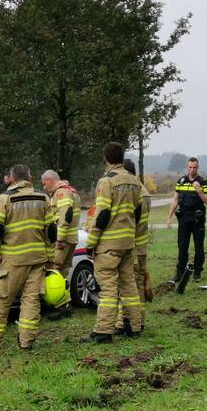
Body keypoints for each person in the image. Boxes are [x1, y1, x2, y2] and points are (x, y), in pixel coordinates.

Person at [0, 164, 52, 352]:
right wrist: (50, 257)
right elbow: (51, 231)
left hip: (13, 260)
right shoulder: (43, 198)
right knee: (31, 300)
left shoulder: (5, 199)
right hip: (37, 259)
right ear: (30, 178)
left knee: (1, 300)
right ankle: (27, 341)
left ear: (12, 178)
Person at [82, 142, 144, 344]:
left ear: (106, 159)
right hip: (128, 242)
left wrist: (91, 243)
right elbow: (138, 212)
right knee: (129, 285)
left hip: (109, 244)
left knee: (108, 288)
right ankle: (134, 326)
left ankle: (103, 331)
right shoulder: (135, 181)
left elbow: (102, 214)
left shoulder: (106, 181)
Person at [115, 158, 150, 335]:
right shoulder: (142, 190)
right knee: (136, 284)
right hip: (142, 244)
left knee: (131, 285)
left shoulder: (135, 192)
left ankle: (131, 323)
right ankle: (135, 321)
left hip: (134, 246)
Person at [165, 157, 207, 284]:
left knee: (199, 247)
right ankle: (179, 272)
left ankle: (197, 272)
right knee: (182, 247)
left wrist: (199, 191)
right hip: (184, 219)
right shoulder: (181, 181)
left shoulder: (203, 182)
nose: (192, 169)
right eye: (190, 167)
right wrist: (169, 217)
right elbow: (175, 200)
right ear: (187, 167)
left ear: (198, 168)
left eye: (194, 167)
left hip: (198, 219)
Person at [41, 169, 80, 320]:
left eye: (45, 183)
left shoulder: (61, 192)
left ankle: (59, 305)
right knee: (63, 272)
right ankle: (65, 305)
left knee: (54, 271)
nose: (44, 187)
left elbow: (66, 214)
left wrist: (60, 238)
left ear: (51, 180)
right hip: (71, 238)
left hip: (63, 239)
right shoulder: (71, 191)